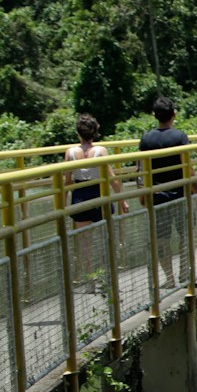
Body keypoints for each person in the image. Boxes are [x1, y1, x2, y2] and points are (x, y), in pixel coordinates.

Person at [139, 95, 192, 287]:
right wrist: (195, 190)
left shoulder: (146, 139)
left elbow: (141, 169)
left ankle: (169, 279)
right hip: (180, 193)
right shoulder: (180, 137)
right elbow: (188, 166)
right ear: (174, 114)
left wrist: (142, 193)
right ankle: (184, 272)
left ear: (155, 115)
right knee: (184, 234)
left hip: (157, 195)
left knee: (162, 239)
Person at [64, 113, 121, 287]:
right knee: (107, 239)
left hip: (80, 197)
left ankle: (90, 281)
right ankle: (107, 277)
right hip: (99, 195)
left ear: (78, 133)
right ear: (95, 132)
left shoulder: (70, 152)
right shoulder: (101, 151)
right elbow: (113, 178)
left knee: (85, 244)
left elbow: (66, 181)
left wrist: (61, 203)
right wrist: (122, 200)